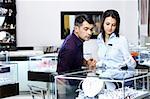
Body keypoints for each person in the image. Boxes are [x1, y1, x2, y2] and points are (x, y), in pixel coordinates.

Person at [57, 14, 96, 98]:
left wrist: (87, 63)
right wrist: (63, 95)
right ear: (76, 29)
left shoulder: (78, 40)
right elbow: (61, 75)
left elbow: (76, 58)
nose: (90, 32)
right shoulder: (70, 46)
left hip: (75, 85)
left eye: (91, 29)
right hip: (69, 89)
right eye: (86, 29)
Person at [96, 9, 136, 90]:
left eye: (113, 25)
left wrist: (121, 65)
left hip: (122, 81)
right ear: (102, 23)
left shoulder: (121, 40)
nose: (110, 28)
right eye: (107, 24)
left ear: (117, 26)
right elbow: (104, 59)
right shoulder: (99, 38)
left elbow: (131, 65)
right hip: (107, 80)